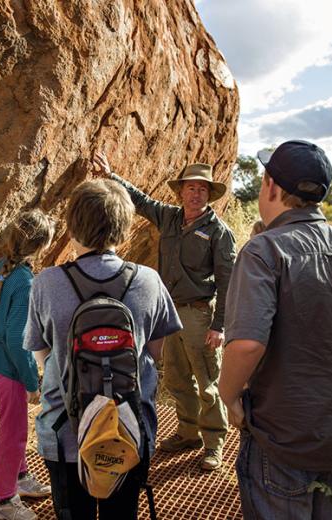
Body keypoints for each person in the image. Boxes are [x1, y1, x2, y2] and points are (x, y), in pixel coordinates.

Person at [220, 140, 332, 519]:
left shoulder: (263, 251)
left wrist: (229, 396)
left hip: (280, 439)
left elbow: (246, 345)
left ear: (271, 186)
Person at [24, 179, 182, 519]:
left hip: (65, 431)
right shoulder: (148, 280)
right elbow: (154, 354)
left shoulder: (46, 283)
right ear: (124, 228)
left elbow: (42, 355)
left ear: (72, 226)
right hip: (128, 429)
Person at [92, 151, 236, 470]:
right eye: (190, 187)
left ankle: (214, 443)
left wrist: (220, 326)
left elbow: (229, 282)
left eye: (202, 189)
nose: (196, 193)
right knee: (177, 377)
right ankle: (188, 433)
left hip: (199, 315)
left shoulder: (218, 232)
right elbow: (140, 201)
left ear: (209, 194)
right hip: (167, 311)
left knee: (208, 380)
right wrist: (111, 175)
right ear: (181, 191)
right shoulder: (169, 216)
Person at [0, 209, 55, 520]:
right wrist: (31, 381)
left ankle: (20, 478)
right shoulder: (25, 281)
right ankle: (4, 498)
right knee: (13, 433)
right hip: (9, 367)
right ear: (39, 246)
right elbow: (16, 339)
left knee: (14, 428)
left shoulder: (2, 267)